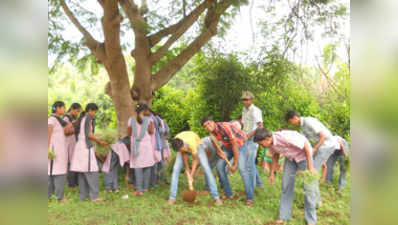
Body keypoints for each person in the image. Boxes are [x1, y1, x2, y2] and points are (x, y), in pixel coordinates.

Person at [253, 128, 318, 225]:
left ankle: (311, 220)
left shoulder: (285, 137)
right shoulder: (270, 144)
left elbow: (306, 146)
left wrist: (310, 167)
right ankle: (283, 216)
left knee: (309, 188)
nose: (261, 146)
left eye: (261, 144)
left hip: (304, 157)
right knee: (286, 186)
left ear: (268, 138)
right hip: (290, 159)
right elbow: (275, 155)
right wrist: (272, 173)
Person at [285, 110, 339, 206]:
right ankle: (316, 201)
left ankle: (315, 202)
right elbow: (304, 141)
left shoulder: (309, 121)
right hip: (320, 147)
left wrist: (315, 149)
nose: (292, 124)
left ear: (294, 118)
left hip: (326, 145)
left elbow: (323, 136)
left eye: (290, 121)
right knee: (310, 172)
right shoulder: (302, 127)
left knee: (311, 173)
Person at [200, 117, 254, 206]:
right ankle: (228, 193)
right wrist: (219, 152)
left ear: (213, 122)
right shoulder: (212, 132)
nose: (208, 127)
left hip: (240, 145)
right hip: (228, 147)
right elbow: (215, 144)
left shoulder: (224, 127)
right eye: (205, 126)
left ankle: (250, 198)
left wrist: (235, 164)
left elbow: (235, 145)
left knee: (242, 169)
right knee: (219, 166)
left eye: (209, 124)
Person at [167, 131, 222, 205]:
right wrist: (187, 168)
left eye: (181, 149)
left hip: (198, 146)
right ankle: (172, 197)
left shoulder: (191, 143)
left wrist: (191, 175)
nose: (180, 151)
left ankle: (216, 197)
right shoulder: (176, 142)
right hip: (184, 144)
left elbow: (195, 160)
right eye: (178, 151)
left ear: (183, 145)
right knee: (176, 169)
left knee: (206, 168)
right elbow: (183, 153)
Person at [70, 103, 106, 202]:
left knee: (82, 172)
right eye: (94, 111)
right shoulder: (89, 118)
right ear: (90, 110)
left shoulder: (82, 118)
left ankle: (83, 196)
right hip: (86, 148)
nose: (94, 114)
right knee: (92, 171)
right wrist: (99, 141)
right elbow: (88, 135)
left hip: (80, 147)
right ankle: (94, 196)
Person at [128, 104, 155, 196]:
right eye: (148, 110)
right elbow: (151, 132)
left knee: (138, 167)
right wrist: (151, 125)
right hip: (146, 145)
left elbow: (129, 133)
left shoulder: (131, 119)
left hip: (136, 145)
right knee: (147, 166)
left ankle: (139, 189)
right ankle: (145, 187)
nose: (149, 112)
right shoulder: (149, 120)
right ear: (144, 110)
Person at [48, 101, 73, 202]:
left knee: (58, 172)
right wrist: (47, 149)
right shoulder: (51, 119)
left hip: (60, 151)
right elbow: (47, 135)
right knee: (53, 173)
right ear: (58, 108)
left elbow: (66, 130)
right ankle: (59, 197)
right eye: (63, 107)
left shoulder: (59, 120)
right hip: (53, 151)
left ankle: (54, 196)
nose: (65, 109)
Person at [241, 91, 264, 189]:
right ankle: (259, 184)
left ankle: (252, 188)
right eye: (243, 100)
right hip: (245, 138)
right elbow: (244, 124)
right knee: (250, 163)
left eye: (246, 100)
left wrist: (249, 136)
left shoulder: (256, 110)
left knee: (249, 165)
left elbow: (260, 126)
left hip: (253, 139)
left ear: (251, 100)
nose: (245, 101)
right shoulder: (244, 110)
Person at [63, 103, 82, 189]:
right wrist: (76, 130)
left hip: (74, 143)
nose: (78, 113)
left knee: (75, 162)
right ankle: (71, 184)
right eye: (77, 111)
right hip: (69, 144)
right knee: (71, 163)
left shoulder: (73, 118)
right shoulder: (66, 118)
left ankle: (76, 183)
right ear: (72, 109)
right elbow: (65, 132)